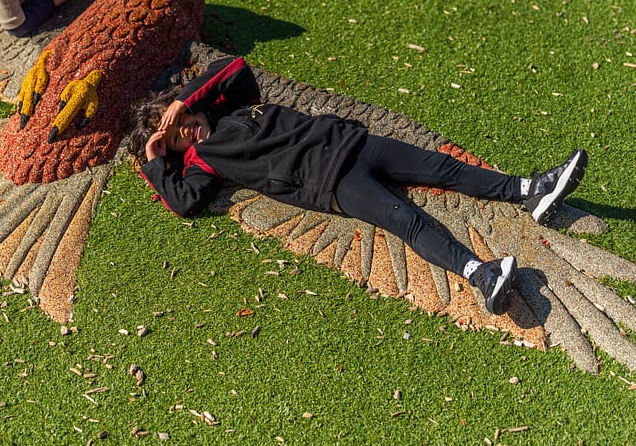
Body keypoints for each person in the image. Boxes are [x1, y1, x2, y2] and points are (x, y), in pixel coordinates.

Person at [128, 56, 588, 315]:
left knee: (442, 168)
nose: (185, 131)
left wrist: (185, 99)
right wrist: (155, 160)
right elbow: (184, 202)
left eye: (180, 122)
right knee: (408, 223)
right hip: (332, 184)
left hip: (353, 143)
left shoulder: (233, 104)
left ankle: (530, 189)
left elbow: (237, 67)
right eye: (174, 138)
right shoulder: (200, 163)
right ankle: (481, 274)